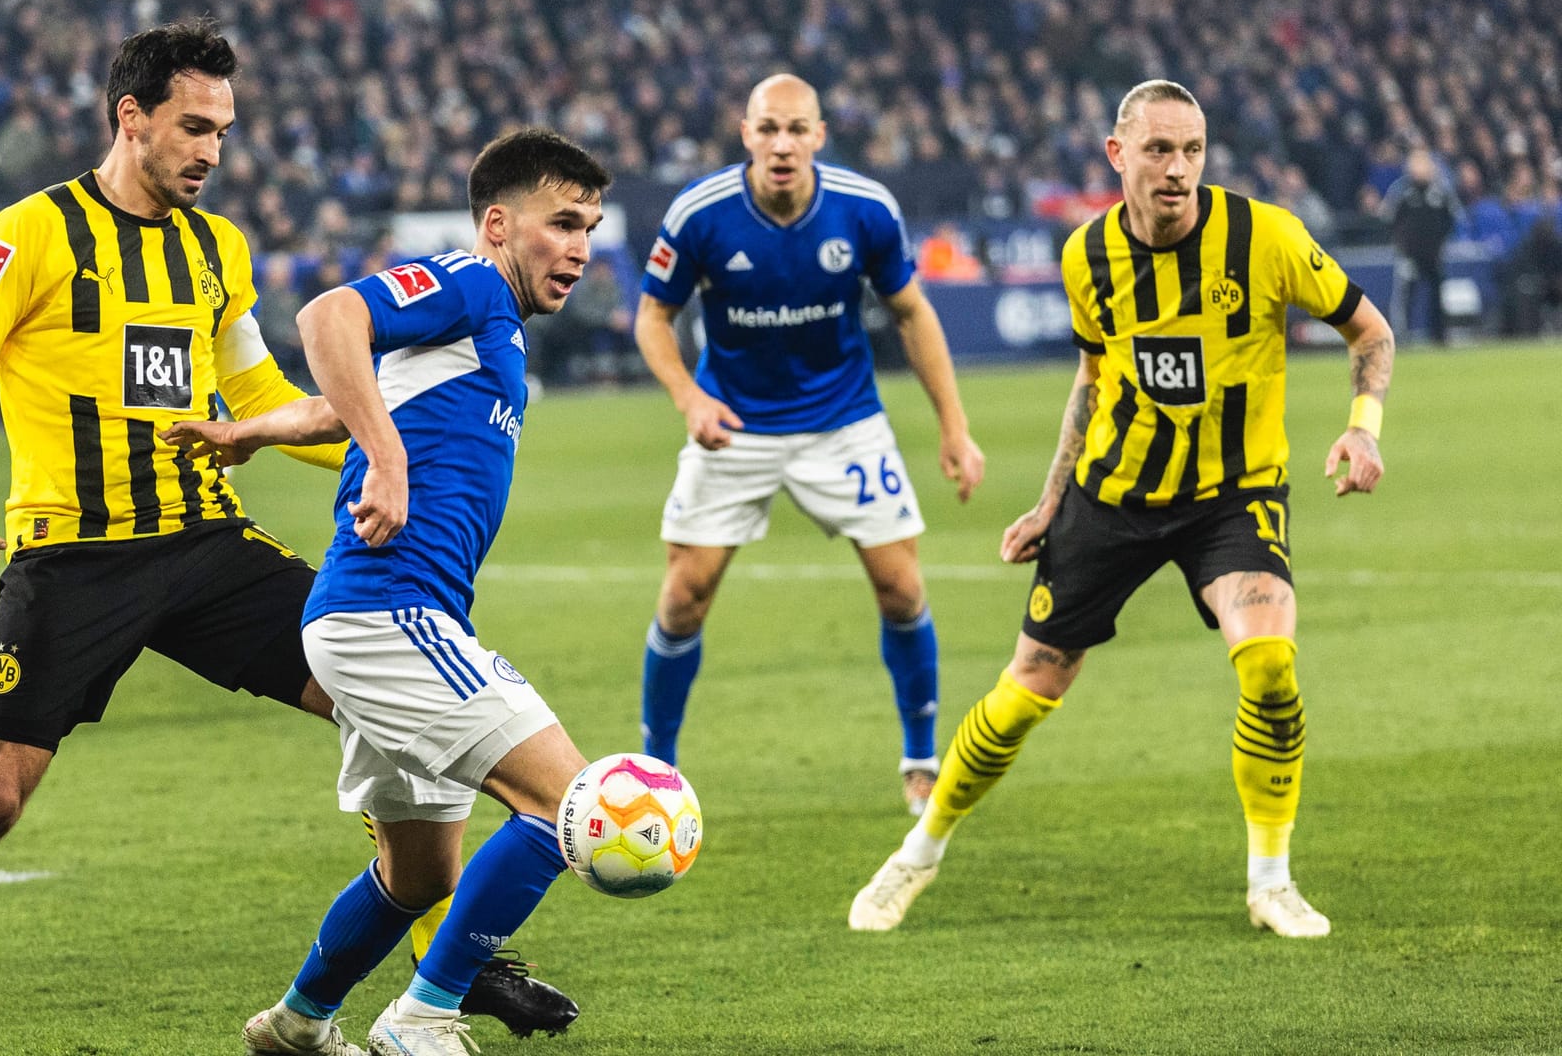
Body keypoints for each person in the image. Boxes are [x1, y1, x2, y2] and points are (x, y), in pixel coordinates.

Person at [0, 22, 569, 1056]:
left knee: (385, 703)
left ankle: (447, 969)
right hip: (73, 554)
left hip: (207, 544)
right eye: (194, 128)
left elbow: (255, 391)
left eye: (223, 130)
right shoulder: (33, 232)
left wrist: (381, 451)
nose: (211, 151)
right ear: (132, 117)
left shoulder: (218, 250)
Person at [847, 80, 1394, 939]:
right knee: (1031, 687)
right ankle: (918, 853)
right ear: (1117, 155)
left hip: (1234, 495)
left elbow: (1372, 332)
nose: (1178, 169)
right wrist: (1050, 500)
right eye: (1158, 150)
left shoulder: (1268, 238)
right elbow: (1095, 379)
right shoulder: (1086, 256)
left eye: (1192, 150)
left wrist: (1363, 431)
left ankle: (1272, 880)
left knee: (1270, 665)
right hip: (1114, 496)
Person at [162, 127, 612, 1056]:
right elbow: (331, 319)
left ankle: (297, 1022)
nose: (578, 247)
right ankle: (423, 1017)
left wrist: (257, 431)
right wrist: (391, 460)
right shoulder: (474, 282)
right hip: (390, 614)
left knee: (416, 873)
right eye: (561, 223)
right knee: (572, 807)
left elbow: (345, 398)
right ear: (498, 224)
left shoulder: (486, 331)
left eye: (591, 229)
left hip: (374, 618)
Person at [633, 74, 985, 814]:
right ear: (746, 134)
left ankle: (921, 758)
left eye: (797, 129)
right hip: (734, 424)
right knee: (684, 597)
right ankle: (655, 773)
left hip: (844, 423)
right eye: (768, 129)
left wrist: (953, 428)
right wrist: (689, 397)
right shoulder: (701, 214)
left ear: (820, 135)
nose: (783, 144)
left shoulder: (865, 210)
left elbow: (914, 315)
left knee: (902, 588)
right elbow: (652, 319)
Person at [1380, 147, 1462, 344]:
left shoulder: (1441, 192)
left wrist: (1441, 244)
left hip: (1434, 254)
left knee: (1437, 296)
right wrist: (1402, 247)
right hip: (1410, 255)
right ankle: (1402, 335)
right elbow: (1391, 221)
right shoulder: (1402, 191)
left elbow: (1452, 219)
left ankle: (1439, 335)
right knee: (1407, 296)